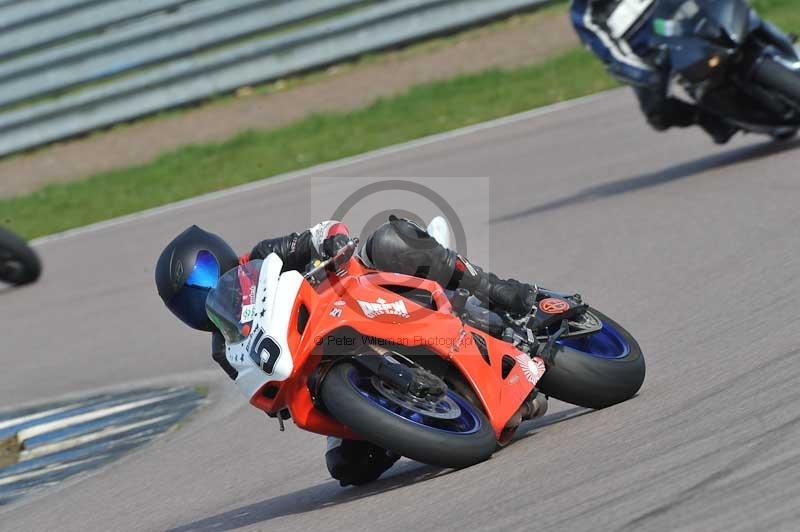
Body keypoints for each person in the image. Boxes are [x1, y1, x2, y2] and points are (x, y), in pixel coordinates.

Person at [155, 218, 537, 486]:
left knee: (390, 241)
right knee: (348, 468)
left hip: (359, 297)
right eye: (187, 301)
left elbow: (318, 234)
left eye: (201, 277)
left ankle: (501, 292)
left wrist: (333, 241)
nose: (202, 296)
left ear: (216, 254)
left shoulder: (263, 257)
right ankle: (423, 415)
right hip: (324, 361)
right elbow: (268, 397)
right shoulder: (224, 347)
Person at [570, 0, 739, 144]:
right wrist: (646, 75)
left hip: (683, 24)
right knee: (657, 114)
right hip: (653, 58)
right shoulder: (582, 15)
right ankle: (706, 118)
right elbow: (613, 55)